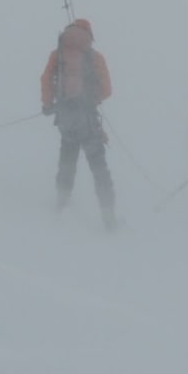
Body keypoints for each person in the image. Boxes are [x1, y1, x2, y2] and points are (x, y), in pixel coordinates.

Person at [40, 18, 116, 229]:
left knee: (67, 162)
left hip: (65, 119)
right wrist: (92, 99)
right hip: (88, 120)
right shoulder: (94, 57)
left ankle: (61, 204)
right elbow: (107, 89)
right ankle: (108, 217)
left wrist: (48, 104)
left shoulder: (58, 55)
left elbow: (45, 79)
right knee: (99, 167)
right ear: (89, 36)